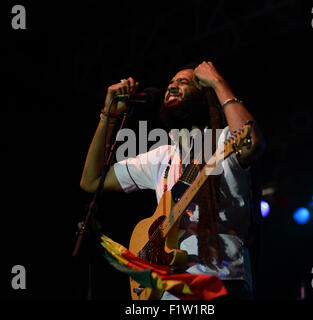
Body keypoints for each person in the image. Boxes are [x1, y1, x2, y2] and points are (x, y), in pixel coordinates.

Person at [80, 61, 265, 300]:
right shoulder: (163, 157)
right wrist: (109, 116)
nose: (172, 87)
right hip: (169, 289)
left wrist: (217, 82)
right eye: (171, 83)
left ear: (204, 98)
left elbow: (251, 141)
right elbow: (91, 180)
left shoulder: (223, 141)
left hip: (219, 281)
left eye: (184, 82)